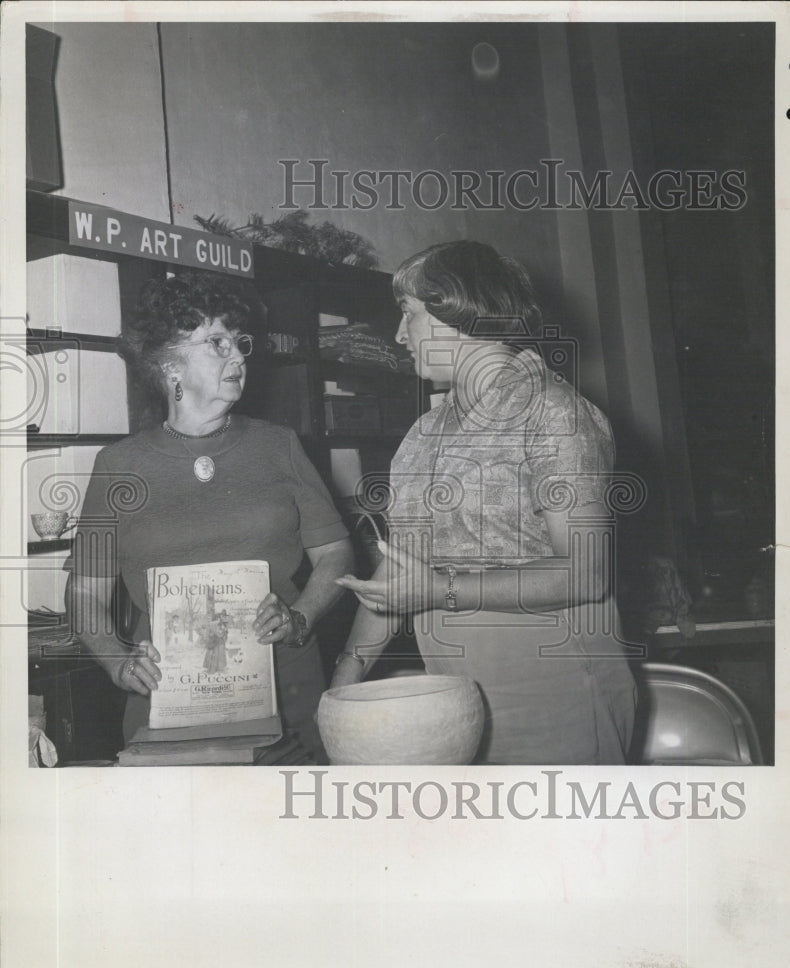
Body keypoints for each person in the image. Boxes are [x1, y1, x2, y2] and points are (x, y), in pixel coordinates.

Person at [332, 241, 637, 764]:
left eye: (409, 314)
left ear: (457, 311)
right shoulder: (426, 431)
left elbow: (587, 572)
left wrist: (441, 589)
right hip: (455, 696)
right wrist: (347, 671)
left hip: (552, 689)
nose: (398, 334)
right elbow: (400, 574)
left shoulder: (553, 412)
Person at [65, 272, 353, 756]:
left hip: (288, 695)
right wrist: (116, 660)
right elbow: (85, 590)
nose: (239, 355)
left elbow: (337, 553)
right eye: (216, 343)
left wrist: (300, 617)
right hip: (168, 699)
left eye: (239, 342)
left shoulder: (278, 446)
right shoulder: (118, 466)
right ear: (169, 365)